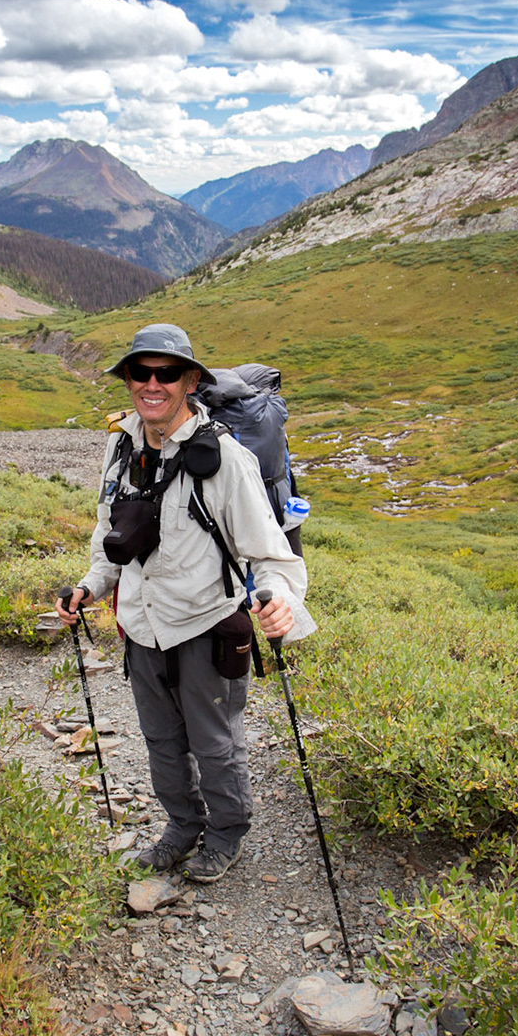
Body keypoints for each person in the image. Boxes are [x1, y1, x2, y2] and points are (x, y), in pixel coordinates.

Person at [56, 323, 315, 884]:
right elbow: (110, 537)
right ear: (127, 379)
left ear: (191, 381)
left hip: (204, 626)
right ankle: (181, 826)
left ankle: (227, 833)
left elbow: (271, 555)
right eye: (140, 372)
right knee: (161, 740)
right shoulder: (119, 446)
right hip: (141, 628)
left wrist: (282, 603)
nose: (152, 384)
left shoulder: (225, 459)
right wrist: (90, 587)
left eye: (167, 373)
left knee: (215, 744)